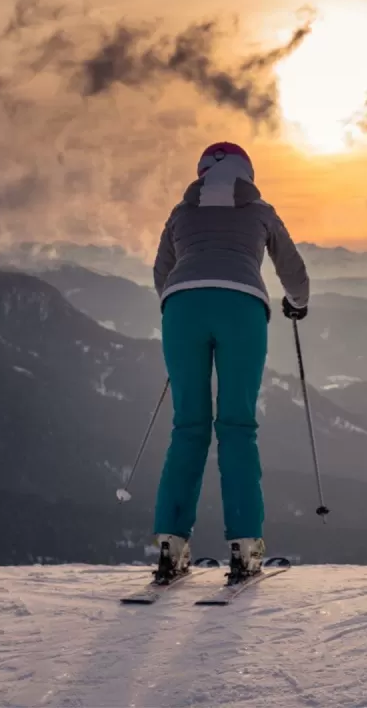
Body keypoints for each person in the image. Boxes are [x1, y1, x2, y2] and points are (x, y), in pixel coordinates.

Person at [150, 141, 309, 583]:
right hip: (242, 308)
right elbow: (293, 271)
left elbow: (162, 272)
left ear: (201, 173)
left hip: (182, 309)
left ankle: (171, 544)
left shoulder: (181, 214)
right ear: (247, 174)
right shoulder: (260, 211)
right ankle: (244, 546)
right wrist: (297, 303)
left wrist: (179, 305)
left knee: (188, 426)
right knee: (237, 426)